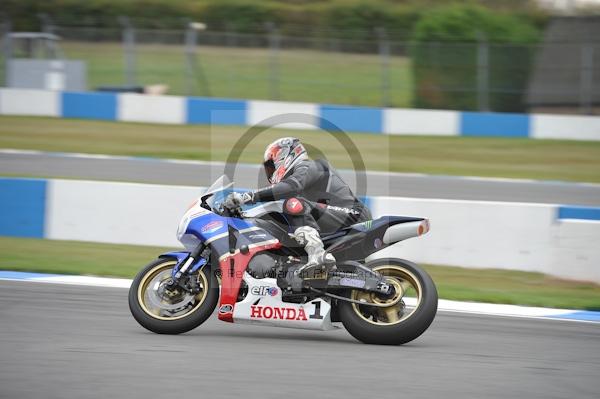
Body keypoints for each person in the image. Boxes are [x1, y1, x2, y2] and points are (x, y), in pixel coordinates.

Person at [223, 137, 371, 274]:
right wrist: (246, 215)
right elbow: (275, 203)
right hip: (337, 220)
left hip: (353, 215)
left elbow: (291, 187)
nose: (270, 171)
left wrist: (248, 197)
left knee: (293, 204)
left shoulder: (311, 166)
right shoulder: (300, 179)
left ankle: (318, 254)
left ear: (285, 156)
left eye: (271, 166)